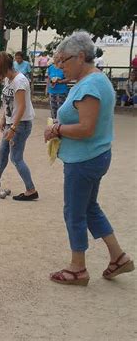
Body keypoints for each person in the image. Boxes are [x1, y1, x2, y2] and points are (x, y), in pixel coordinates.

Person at [44, 31, 134, 286]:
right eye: (58, 62)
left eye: (64, 61)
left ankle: (77, 268)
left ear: (81, 57)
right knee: (89, 207)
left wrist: (56, 129)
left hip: (84, 160)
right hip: (93, 156)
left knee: (74, 212)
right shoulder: (95, 81)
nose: (60, 67)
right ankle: (118, 256)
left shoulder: (90, 85)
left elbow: (86, 128)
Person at [0, 52, 38, 201]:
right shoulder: (8, 80)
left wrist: (13, 128)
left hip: (20, 125)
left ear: (2, 67)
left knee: (16, 158)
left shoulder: (20, 81)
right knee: (2, 150)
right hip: (12, 122)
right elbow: (9, 102)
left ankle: (31, 190)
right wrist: (4, 117)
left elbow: (22, 107)